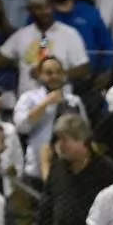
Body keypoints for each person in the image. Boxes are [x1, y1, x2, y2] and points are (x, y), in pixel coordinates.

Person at [0, 0, 90, 96]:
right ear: (30, 10)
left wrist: (59, 75)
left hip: (59, 101)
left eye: (47, 7)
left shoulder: (70, 34)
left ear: (53, 7)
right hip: (28, 104)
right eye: (38, 8)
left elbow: (84, 68)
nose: (44, 12)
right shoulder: (21, 35)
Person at [14, 56, 89, 185]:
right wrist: (46, 103)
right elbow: (21, 127)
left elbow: (84, 132)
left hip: (70, 169)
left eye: (58, 72)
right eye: (49, 73)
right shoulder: (29, 98)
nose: (54, 76)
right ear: (40, 75)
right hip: (37, 169)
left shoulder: (74, 101)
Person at [49, 0, 113, 74]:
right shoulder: (43, 13)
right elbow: (38, 40)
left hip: (86, 78)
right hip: (52, 75)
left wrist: (105, 70)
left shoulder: (89, 12)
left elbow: (107, 45)